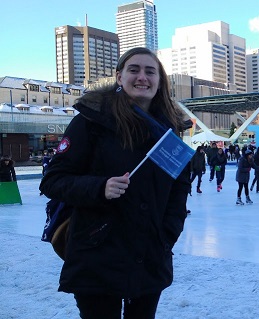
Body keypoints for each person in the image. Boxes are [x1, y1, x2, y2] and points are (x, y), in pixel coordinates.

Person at [38, 47, 191, 318]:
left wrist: (167, 234)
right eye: (134, 70)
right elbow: (53, 180)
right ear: (119, 77)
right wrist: (100, 187)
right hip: (98, 253)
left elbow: (178, 189)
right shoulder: (91, 121)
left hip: (149, 255)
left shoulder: (170, 129)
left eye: (150, 71)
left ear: (159, 81)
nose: (142, 77)